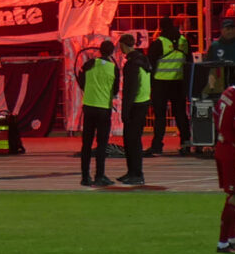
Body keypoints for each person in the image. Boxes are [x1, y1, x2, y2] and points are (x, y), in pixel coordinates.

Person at [77, 38, 118, 188]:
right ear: (112, 52)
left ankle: (85, 176)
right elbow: (115, 90)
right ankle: (99, 175)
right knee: (102, 144)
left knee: (86, 143)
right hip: (104, 108)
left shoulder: (89, 64)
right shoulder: (113, 68)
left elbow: (81, 82)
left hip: (89, 106)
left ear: (99, 50)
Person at [147, 17, 192, 156]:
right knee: (180, 114)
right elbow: (189, 62)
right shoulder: (184, 41)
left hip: (160, 83)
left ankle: (157, 146)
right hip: (179, 82)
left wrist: (150, 84)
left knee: (160, 116)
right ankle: (185, 143)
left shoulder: (159, 43)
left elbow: (150, 64)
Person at [118, 33, 151, 186]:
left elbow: (130, 90)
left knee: (132, 141)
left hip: (135, 105)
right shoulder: (143, 60)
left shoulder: (131, 64)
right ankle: (132, 172)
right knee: (132, 140)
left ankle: (136, 173)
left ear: (123, 45)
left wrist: (125, 111)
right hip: (143, 102)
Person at [213, 76, 235, 253]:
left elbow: (216, 115)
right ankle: (223, 242)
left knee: (234, 194)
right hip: (234, 152)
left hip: (223, 147)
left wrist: (223, 133)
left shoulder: (227, 93)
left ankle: (231, 239)